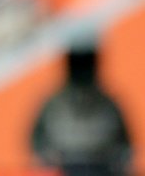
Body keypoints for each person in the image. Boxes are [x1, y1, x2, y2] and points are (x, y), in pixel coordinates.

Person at [32, 45, 132, 175]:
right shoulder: (108, 102)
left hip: (94, 165)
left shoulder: (54, 103)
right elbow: (125, 146)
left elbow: (125, 147)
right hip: (77, 165)